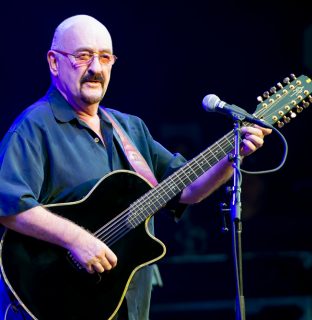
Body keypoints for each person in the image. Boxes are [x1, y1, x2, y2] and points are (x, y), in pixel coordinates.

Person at [0, 14, 271, 320]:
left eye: (105, 57)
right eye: (83, 56)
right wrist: (77, 239)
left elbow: (189, 190)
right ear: (53, 62)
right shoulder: (34, 127)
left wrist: (234, 156)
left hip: (128, 302)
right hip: (55, 303)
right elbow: (10, 206)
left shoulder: (130, 128)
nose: (96, 68)